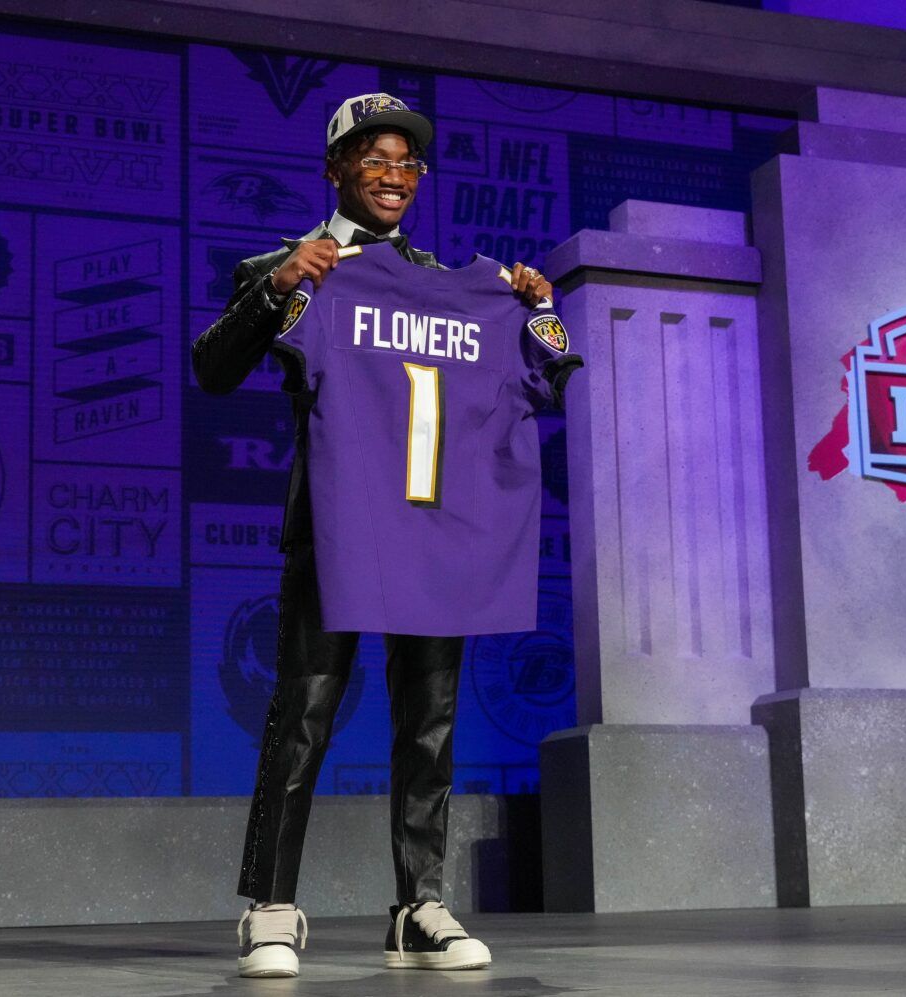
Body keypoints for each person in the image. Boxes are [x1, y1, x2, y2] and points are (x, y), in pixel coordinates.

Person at [191, 92, 561, 979]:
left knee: (429, 720)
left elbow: (537, 370)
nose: (394, 176)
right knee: (304, 711)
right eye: (374, 160)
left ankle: (419, 905)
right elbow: (213, 366)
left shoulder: (450, 284)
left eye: (408, 164)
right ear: (335, 170)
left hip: (434, 526)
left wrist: (530, 307)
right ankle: (270, 905)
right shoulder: (285, 267)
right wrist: (280, 286)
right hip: (336, 525)